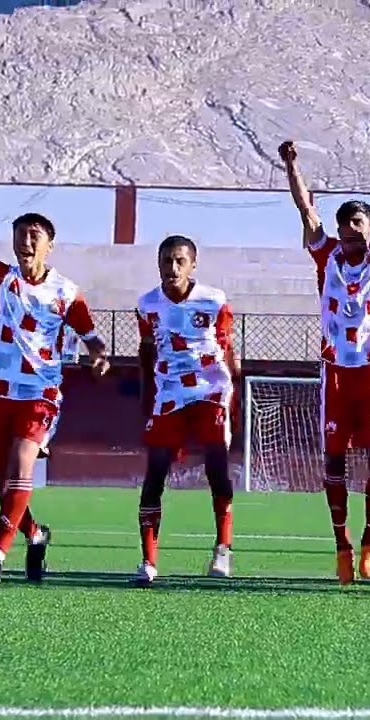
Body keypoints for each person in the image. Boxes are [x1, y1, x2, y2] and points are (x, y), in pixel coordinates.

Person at [0, 185, 109, 583]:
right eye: (21, 234)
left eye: (35, 235)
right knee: (2, 482)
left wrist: (99, 356)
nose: (27, 241)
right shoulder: (0, 277)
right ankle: (35, 534)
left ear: (50, 245)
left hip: (40, 393)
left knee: (20, 466)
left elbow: (91, 337)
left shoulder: (66, 293)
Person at [279, 140, 370, 584]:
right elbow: (305, 213)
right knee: (334, 462)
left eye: (360, 222)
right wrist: (291, 166)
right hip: (336, 372)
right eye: (347, 223)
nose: (353, 229)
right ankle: (342, 545)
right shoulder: (327, 255)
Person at [133, 235, 240, 586]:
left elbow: (227, 347)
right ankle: (148, 562)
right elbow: (146, 352)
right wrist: (147, 400)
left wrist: (231, 387)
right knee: (155, 475)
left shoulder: (213, 300)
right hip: (170, 392)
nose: (172, 268)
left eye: (180, 261)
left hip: (210, 389)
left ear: (193, 265)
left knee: (216, 466)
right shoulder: (146, 304)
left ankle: (223, 548)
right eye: (166, 260)